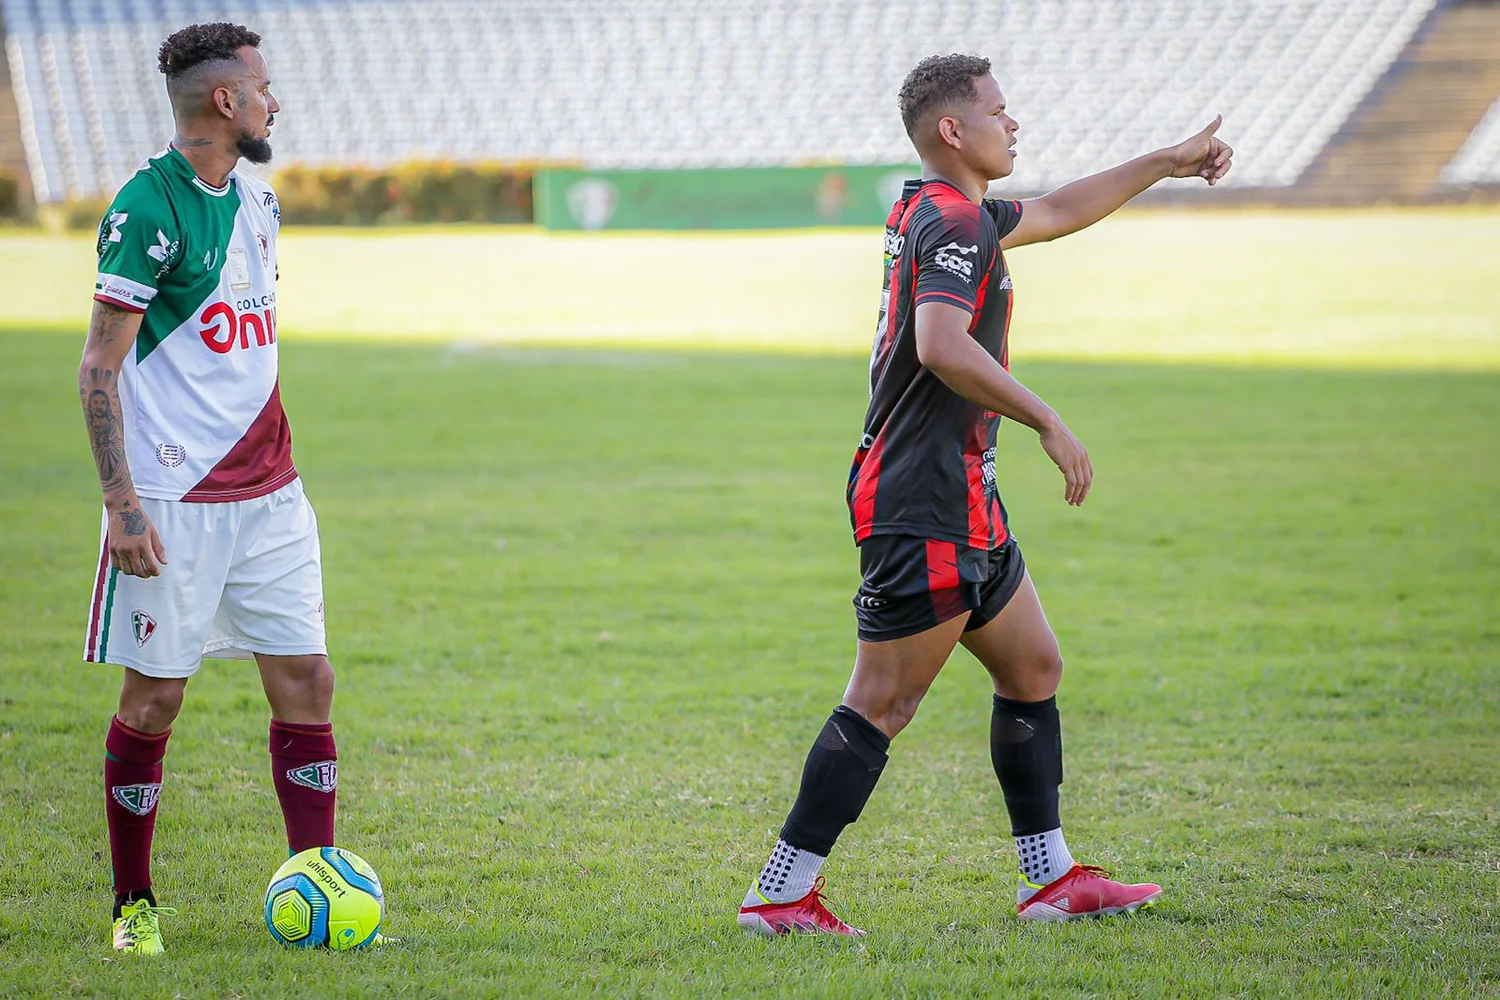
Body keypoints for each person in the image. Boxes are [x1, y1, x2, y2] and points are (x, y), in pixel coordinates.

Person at [737, 53, 1233, 935]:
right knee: (882, 702)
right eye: (1002, 112)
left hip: (963, 496)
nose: (1016, 124)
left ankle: (1048, 881)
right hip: (919, 501)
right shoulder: (957, 225)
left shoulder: (939, 208)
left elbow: (1056, 211)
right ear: (952, 130)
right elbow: (940, 343)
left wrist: (1166, 161)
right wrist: (1048, 418)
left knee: (1033, 665)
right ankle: (779, 893)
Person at [80, 22, 339, 955]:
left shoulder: (260, 199)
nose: (277, 101)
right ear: (225, 101)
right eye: (264, 87)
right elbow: (98, 369)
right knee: (155, 700)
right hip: (174, 504)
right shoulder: (146, 208)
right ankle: (133, 905)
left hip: (273, 493)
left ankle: (319, 886)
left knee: (307, 680)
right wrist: (122, 506)